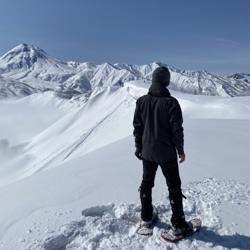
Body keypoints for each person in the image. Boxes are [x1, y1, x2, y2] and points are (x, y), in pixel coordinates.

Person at [133, 66, 192, 235]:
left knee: (146, 184)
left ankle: (146, 217)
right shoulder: (171, 103)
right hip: (166, 154)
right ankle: (179, 223)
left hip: (147, 152)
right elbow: (177, 130)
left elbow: (137, 127)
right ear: (166, 81)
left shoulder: (141, 101)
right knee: (174, 186)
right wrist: (180, 150)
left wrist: (139, 147)